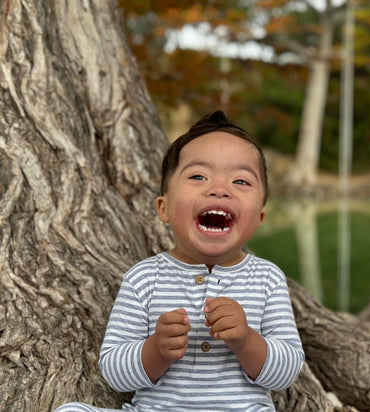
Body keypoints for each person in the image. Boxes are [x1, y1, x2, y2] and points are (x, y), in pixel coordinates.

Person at [55, 110, 305, 411]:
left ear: (259, 218)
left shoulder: (267, 278)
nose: (219, 189)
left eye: (241, 181)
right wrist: (155, 350)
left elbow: (287, 371)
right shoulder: (144, 277)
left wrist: (246, 340)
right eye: (198, 176)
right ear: (164, 208)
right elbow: (113, 371)